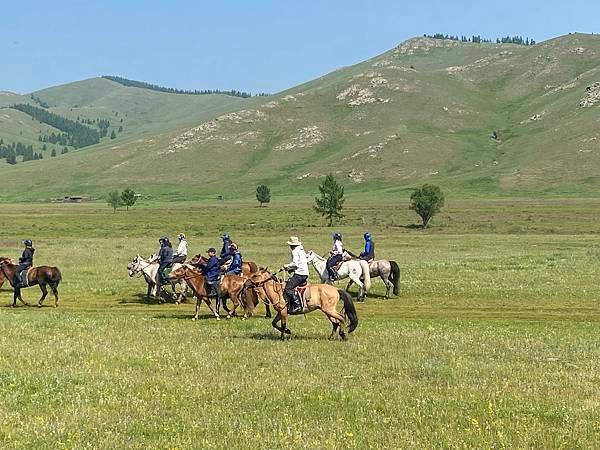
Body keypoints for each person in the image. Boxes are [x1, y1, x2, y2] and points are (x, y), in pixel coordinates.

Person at [282, 236, 309, 314]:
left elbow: (295, 264)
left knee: (288, 288)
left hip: (300, 274)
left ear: (292, 245)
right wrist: (291, 269)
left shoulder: (295, 251)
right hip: (305, 273)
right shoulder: (301, 250)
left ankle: (297, 305)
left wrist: (286, 266)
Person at [198, 247, 225, 317]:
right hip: (211, 272)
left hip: (214, 273)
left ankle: (213, 291)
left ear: (213, 253)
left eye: (209, 252)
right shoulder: (211, 259)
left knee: (208, 280)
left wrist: (203, 271)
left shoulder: (213, 259)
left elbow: (208, 267)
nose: (208, 254)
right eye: (208, 252)